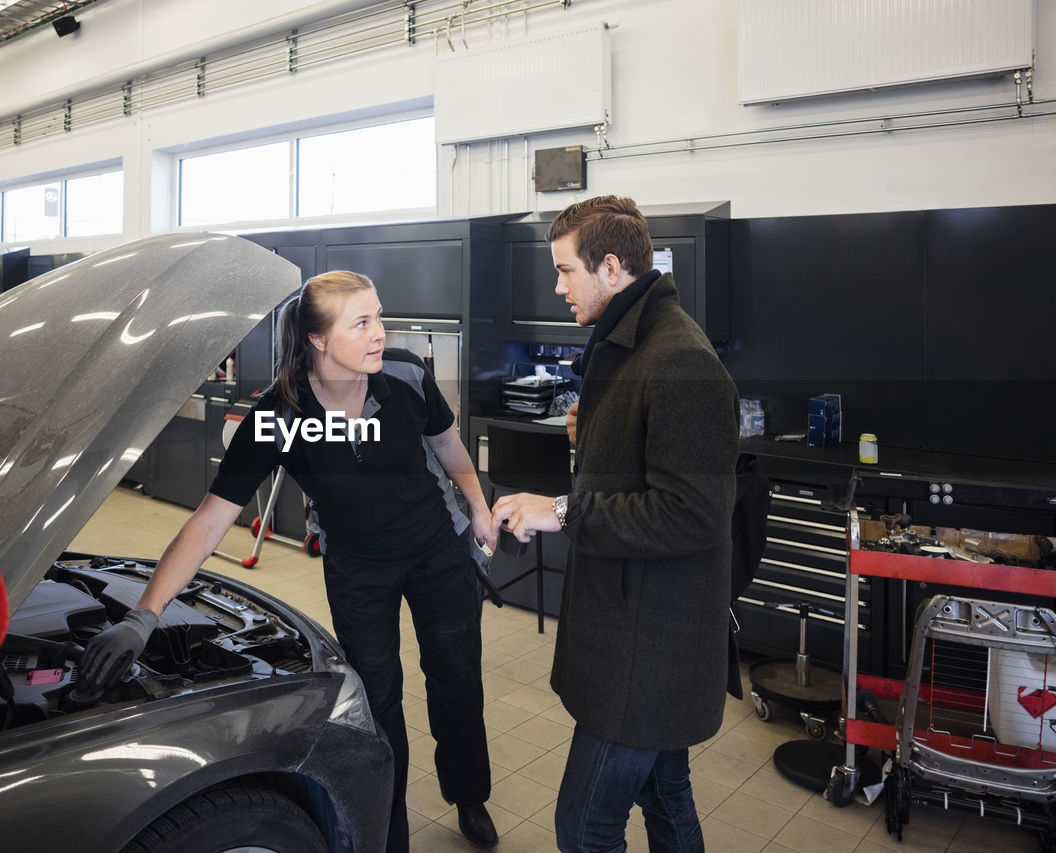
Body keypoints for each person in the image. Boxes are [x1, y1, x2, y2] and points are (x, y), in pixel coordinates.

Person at [79, 270, 499, 852]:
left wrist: (478, 508)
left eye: (379, 316)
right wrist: (142, 616)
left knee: (455, 676)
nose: (382, 332)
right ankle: (390, 833)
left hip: (436, 550)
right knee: (378, 704)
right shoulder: (281, 416)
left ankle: (469, 793)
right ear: (318, 341)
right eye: (363, 322)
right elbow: (208, 521)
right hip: (358, 568)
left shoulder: (405, 375)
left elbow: (450, 449)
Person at [490, 196, 738, 853]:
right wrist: (594, 435)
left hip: (649, 646)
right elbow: (644, 473)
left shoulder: (679, 358)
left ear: (609, 266)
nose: (557, 285)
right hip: (637, 629)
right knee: (666, 800)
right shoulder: (637, 344)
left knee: (586, 825)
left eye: (565, 270)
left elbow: (694, 512)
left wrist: (563, 508)